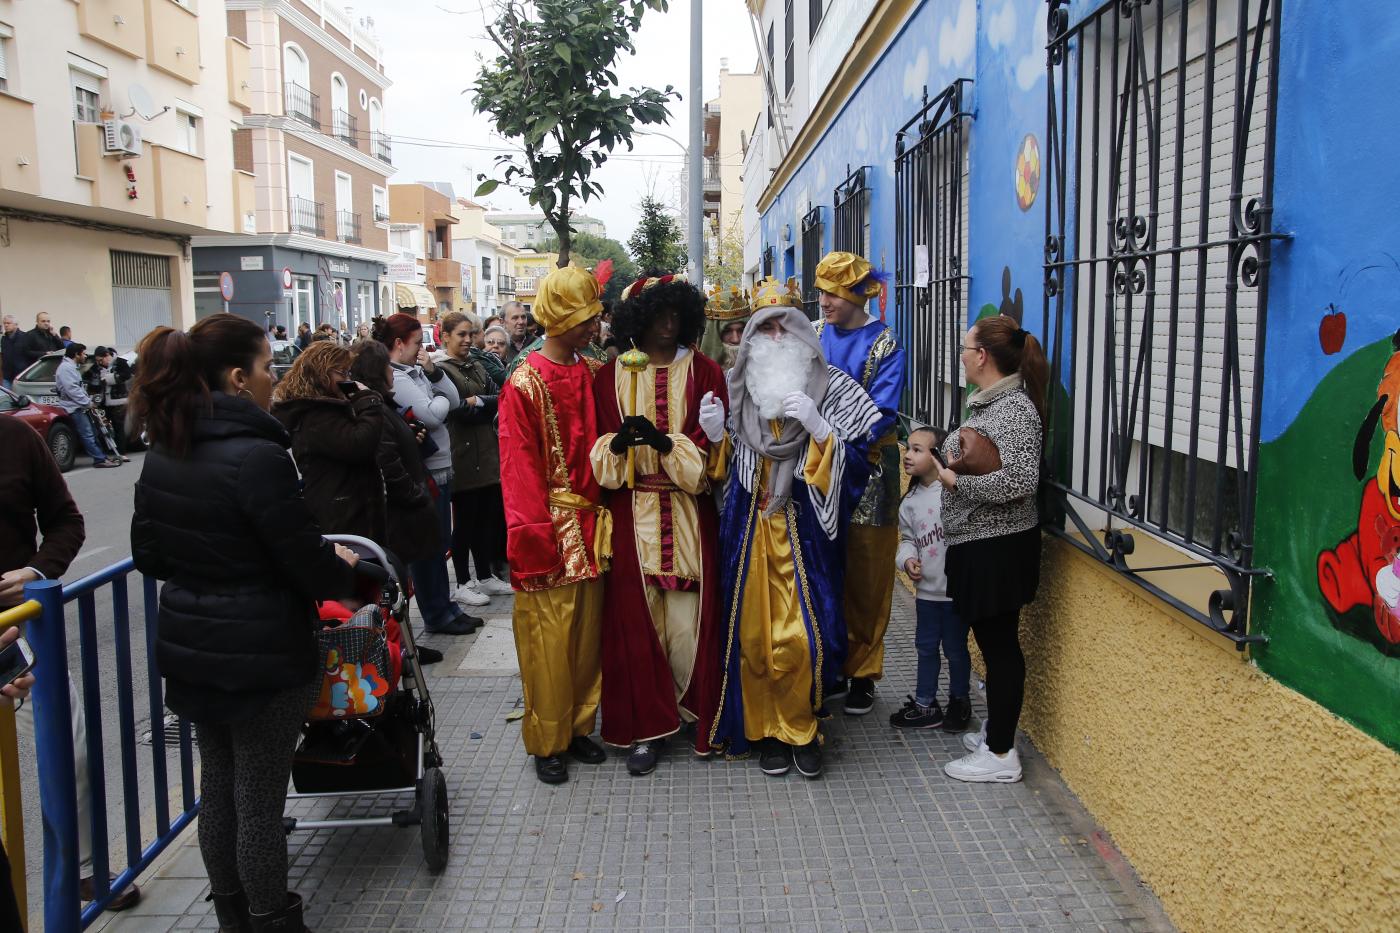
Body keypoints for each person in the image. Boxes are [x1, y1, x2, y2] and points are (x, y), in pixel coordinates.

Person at [128, 313, 360, 931]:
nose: (272, 377)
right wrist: (341, 566)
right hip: (264, 650)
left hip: (193, 647)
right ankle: (270, 918)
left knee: (221, 790)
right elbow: (305, 561)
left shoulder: (163, 451)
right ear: (236, 377)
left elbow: (150, 555)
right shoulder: (258, 456)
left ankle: (234, 915)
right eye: (264, 366)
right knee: (258, 800)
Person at [702, 280, 881, 779]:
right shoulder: (742, 389)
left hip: (803, 534)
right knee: (754, 638)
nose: (774, 335)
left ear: (802, 329)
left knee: (802, 638)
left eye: (784, 324)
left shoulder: (834, 386)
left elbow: (863, 463)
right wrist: (717, 438)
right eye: (764, 327)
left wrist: (823, 431)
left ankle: (800, 726)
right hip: (750, 531)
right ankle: (764, 730)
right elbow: (723, 471)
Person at [0, 411, 141, 912]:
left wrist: (35, 570)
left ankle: (87, 868)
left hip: (16, 637)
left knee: (69, 753)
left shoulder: (14, 436)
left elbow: (66, 521)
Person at [589, 274, 728, 775]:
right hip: (633, 516)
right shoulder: (609, 378)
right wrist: (622, 445)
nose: (669, 323)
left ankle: (693, 712)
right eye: (659, 313)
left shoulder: (707, 371)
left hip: (690, 513)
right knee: (637, 622)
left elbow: (714, 451)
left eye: (676, 314)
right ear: (638, 318)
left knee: (691, 621)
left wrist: (668, 445)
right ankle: (647, 727)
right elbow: (598, 451)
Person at [498, 265, 610, 785]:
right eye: (586, 317)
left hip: (593, 527)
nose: (594, 325)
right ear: (563, 317)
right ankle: (547, 738)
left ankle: (580, 726)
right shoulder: (524, 382)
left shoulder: (590, 371)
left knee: (588, 636)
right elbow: (517, 467)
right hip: (547, 530)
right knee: (547, 641)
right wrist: (530, 535)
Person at [933, 315, 1048, 784]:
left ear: (981, 357)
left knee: (1000, 649)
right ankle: (996, 733)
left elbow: (1021, 481)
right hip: (980, 542)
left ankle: (1001, 754)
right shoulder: (989, 405)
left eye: (965, 348)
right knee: (992, 645)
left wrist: (956, 479)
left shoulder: (1015, 409)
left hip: (998, 546)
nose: (960, 356)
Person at [811, 252, 905, 717]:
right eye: (821, 292)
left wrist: (833, 429)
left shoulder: (885, 345)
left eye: (830, 292)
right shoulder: (812, 335)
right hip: (816, 464)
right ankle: (828, 663)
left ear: (851, 293)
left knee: (868, 571)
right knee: (824, 562)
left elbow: (880, 412)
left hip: (871, 469)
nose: (823, 301)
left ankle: (864, 671)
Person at [372, 313, 478, 636]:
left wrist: (433, 373)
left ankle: (445, 605)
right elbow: (433, 416)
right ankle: (435, 612)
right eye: (418, 344)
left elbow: (455, 399)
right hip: (426, 473)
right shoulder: (399, 379)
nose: (423, 350)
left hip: (442, 469)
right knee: (430, 548)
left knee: (441, 542)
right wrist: (441, 400)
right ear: (399, 344)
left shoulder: (417, 372)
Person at [349, 340, 445, 666]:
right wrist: (414, 494)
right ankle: (399, 649)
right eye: (388, 365)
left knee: (400, 584)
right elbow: (387, 460)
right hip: (398, 512)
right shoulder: (372, 406)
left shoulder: (382, 404)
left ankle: (405, 646)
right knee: (394, 585)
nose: (393, 370)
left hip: (402, 507)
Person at [889, 426, 972, 731]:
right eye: (908, 448)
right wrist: (907, 559)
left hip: (954, 593)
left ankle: (959, 702)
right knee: (925, 648)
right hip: (926, 595)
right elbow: (908, 538)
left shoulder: (953, 491)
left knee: (955, 649)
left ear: (937, 456)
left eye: (917, 449)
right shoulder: (910, 501)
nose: (908, 455)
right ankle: (925, 704)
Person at [272, 342, 387, 545]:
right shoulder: (315, 415)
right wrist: (368, 402)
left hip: (347, 508)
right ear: (322, 373)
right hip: (342, 514)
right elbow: (360, 443)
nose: (347, 379)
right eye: (342, 373)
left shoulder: (321, 409)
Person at [435, 312, 512, 607]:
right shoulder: (442, 371)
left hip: (488, 453)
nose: (468, 340)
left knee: (485, 518)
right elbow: (455, 410)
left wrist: (478, 402)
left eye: (470, 334)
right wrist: (478, 406)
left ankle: (485, 576)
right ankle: (463, 581)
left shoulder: (477, 366)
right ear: (446, 337)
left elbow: (502, 398)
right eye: (461, 335)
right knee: (465, 522)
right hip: (463, 454)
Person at [55, 344, 118, 469]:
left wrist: (88, 401)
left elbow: (77, 388)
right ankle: (99, 459)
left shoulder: (71, 367)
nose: (85, 356)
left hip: (80, 406)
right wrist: (87, 402)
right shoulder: (66, 368)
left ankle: (101, 457)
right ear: (76, 354)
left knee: (93, 433)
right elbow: (72, 390)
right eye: (83, 353)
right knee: (88, 434)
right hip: (74, 407)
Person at [86, 347, 133, 454]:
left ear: (107, 355)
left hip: (118, 400)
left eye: (101, 360)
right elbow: (87, 376)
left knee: (119, 427)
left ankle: (121, 452)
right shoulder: (97, 366)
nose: (99, 363)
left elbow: (127, 375)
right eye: (97, 361)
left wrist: (108, 379)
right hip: (103, 402)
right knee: (103, 426)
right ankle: (108, 451)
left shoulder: (120, 362)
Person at [699, 284, 751, 372]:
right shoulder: (695, 371)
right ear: (713, 334)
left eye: (741, 330)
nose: (735, 339)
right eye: (727, 331)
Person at [1, 313, 22, 388]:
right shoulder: (3, 339)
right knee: (6, 398)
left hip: (20, 376)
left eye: (8, 323)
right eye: (4, 323)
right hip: (7, 376)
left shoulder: (24, 337)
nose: (6, 325)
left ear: (16, 324)